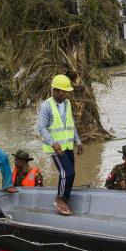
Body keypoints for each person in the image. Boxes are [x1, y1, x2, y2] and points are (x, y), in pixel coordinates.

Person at [37, 75, 84, 216]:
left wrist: (78, 141)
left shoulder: (68, 103)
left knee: (71, 173)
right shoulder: (46, 106)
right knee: (66, 172)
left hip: (68, 146)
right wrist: (53, 143)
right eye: (64, 91)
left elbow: (71, 124)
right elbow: (41, 128)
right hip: (56, 149)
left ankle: (65, 199)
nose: (66, 94)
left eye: (67, 91)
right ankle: (60, 199)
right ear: (55, 91)